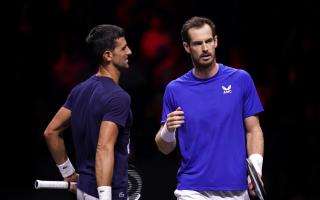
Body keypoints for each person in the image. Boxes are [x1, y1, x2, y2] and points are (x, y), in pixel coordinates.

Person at [154, 16, 264, 200]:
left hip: (236, 189)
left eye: (208, 41)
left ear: (216, 41)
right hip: (192, 190)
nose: (205, 48)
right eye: (197, 43)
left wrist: (255, 169)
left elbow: (253, 130)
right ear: (187, 47)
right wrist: (168, 129)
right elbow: (164, 148)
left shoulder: (240, 80)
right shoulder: (175, 89)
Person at [44, 24, 133, 200]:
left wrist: (68, 173)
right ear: (108, 55)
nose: (129, 52)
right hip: (108, 193)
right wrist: (105, 197)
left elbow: (51, 132)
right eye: (123, 48)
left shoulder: (78, 90)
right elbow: (104, 148)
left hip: (84, 192)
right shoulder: (118, 97)